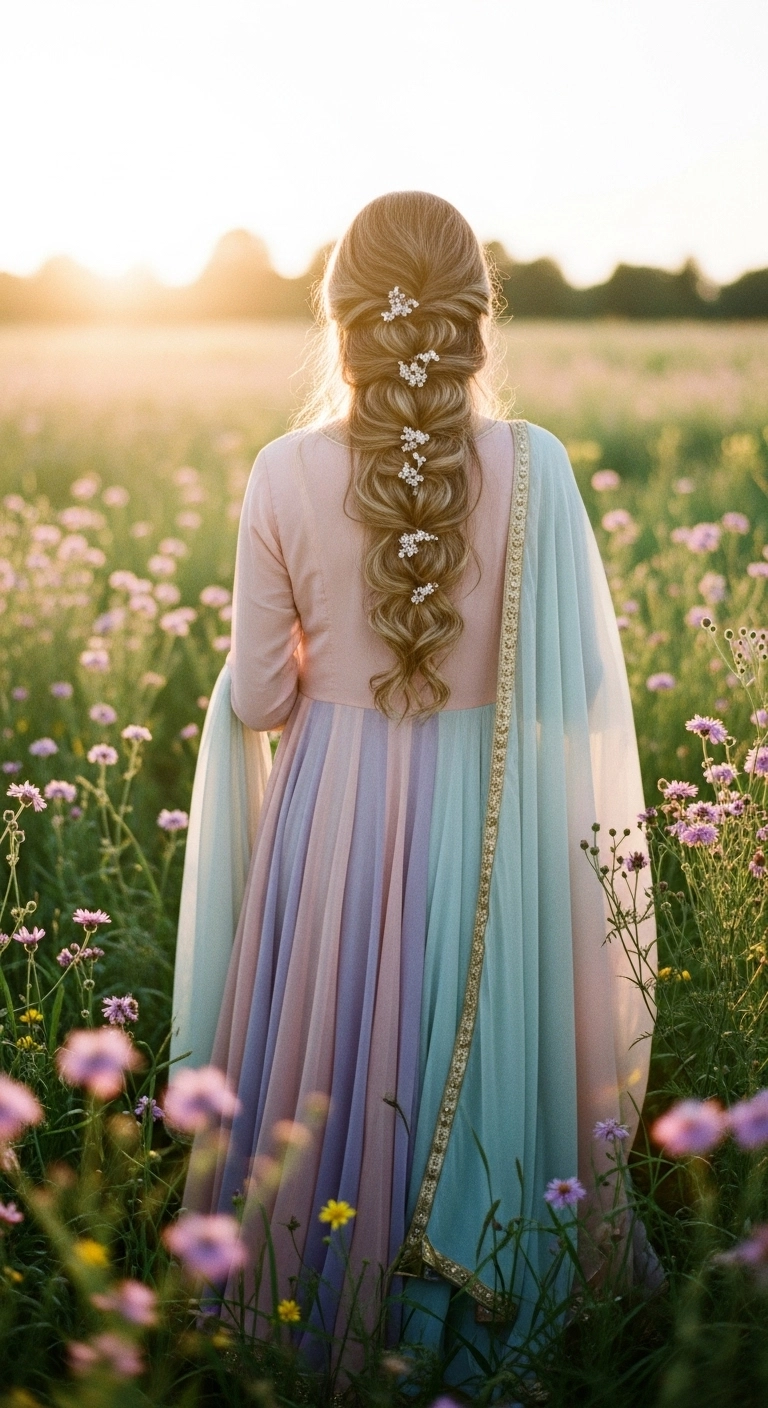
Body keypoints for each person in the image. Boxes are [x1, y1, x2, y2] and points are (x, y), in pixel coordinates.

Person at [170, 190, 656, 1384]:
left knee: (334, 1068)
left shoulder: (283, 473)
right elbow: (583, 691)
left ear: (340, 321)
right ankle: (493, 1297)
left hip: (332, 821)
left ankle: (309, 1306)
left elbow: (259, 705)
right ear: (480, 318)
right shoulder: (535, 465)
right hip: (496, 834)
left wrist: (332, 652)